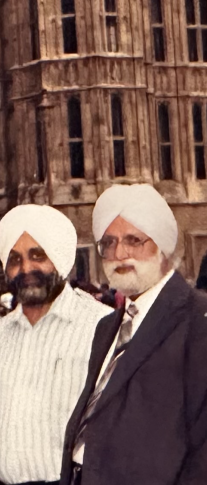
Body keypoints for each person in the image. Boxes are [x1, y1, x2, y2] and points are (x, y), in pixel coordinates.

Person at [61, 184, 207, 485]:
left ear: (162, 246)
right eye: (108, 242)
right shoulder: (108, 327)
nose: (119, 254)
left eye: (133, 240)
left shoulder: (197, 320)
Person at [0, 205, 109, 485]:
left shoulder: (101, 326)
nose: (25, 269)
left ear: (60, 258)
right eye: (14, 259)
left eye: (37, 256)